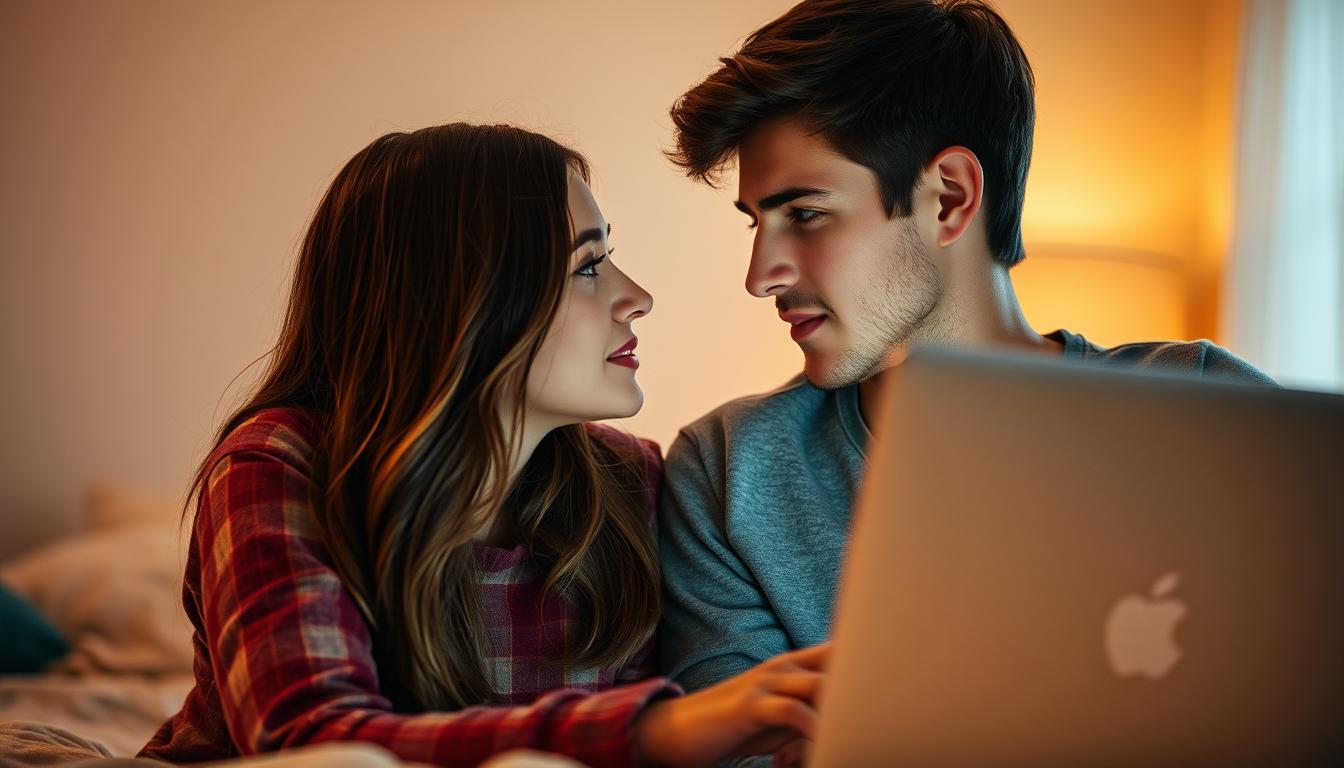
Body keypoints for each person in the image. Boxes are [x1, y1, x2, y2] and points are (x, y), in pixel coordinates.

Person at [138, 123, 826, 768]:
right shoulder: (280, 465)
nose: (636, 297)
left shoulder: (631, 482)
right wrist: (653, 730)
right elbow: (311, 742)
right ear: (462, 298)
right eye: (589, 266)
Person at [658, 0, 1274, 699]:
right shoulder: (728, 473)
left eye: (804, 215)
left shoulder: (1208, 408)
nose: (759, 275)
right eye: (757, 224)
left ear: (949, 198)